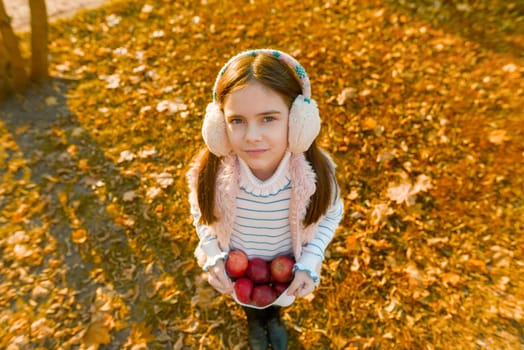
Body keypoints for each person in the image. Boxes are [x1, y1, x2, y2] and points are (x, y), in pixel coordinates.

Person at [186, 49, 344, 350]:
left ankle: (273, 319)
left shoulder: (315, 175)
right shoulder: (211, 174)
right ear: (219, 127)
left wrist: (313, 257)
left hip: (287, 267)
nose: (252, 136)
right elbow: (201, 211)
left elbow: (332, 214)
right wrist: (212, 251)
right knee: (250, 303)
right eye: (237, 121)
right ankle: (255, 322)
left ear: (299, 121)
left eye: (268, 118)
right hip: (239, 271)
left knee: (276, 304)